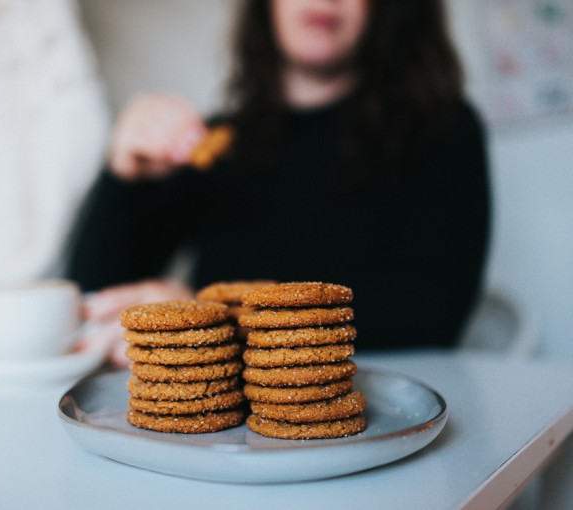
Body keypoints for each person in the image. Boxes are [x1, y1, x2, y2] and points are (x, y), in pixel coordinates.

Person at [67, 0, 491, 366]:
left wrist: (212, 316)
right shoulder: (215, 145)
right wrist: (122, 179)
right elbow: (93, 298)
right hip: (225, 441)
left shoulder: (443, 132)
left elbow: (433, 314)